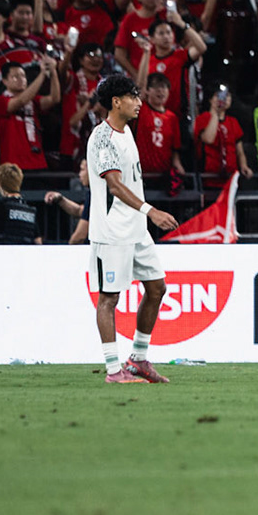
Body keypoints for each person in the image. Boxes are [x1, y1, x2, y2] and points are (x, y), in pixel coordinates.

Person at [87, 76, 179, 384]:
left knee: (157, 288)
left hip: (137, 231)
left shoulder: (126, 132)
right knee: (109, 299)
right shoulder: (103, 137)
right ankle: (114, 370)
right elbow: (114, 185)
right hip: (112, 231)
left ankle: (138, 359)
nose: (139, 102)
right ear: (116, 101)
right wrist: (150, 211)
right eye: (133, 97)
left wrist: (144, 218)